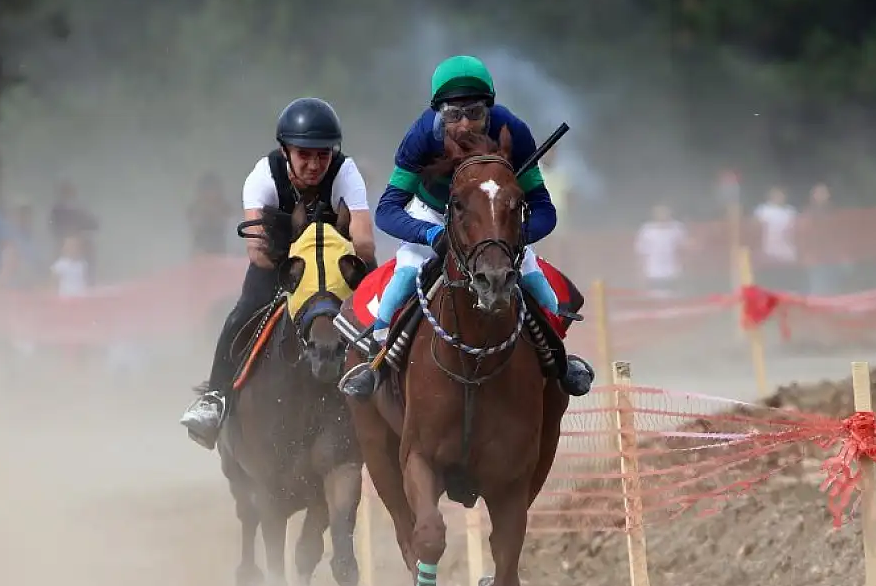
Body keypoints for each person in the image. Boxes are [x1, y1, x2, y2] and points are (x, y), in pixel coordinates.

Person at [339, 54, 595, 398]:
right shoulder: (419, 137)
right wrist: (431, 234)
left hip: (491, 224)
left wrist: (508, 238)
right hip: (433, 216)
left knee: (537, 282)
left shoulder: (514, 131)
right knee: (402, 278)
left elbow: (544, 209)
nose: (464, 125)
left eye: (474, 113)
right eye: (452, 114)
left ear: (489, 110)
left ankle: (560, 362)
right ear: (437, 112)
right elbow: (387, 211)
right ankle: (376, 362)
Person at [178, 97, 377, 449]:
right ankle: (216, 398)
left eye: (323, 154)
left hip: (334, 265)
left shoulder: (346, 172)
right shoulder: (262, 176)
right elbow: (257, 252)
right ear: (285, 151)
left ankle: (387, 383)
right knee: (243, 311)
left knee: (380, 307)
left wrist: (338, 261)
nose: (315, 164)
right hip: (282, 263)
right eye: (305, 154)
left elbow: (364, 244)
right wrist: (298, 262)